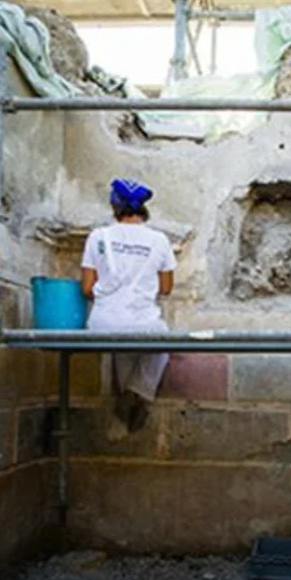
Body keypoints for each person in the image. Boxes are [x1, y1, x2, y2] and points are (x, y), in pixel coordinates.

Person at [80, 178, 176, 436]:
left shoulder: (98, 237)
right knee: (160, 341)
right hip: (142, 322)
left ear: (115, 207)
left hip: (101, 325)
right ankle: (136, 396)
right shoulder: (159, 240)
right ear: (143, 209)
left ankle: (126, 406)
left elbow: (86, 288)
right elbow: (166, 288)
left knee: (121, 343)